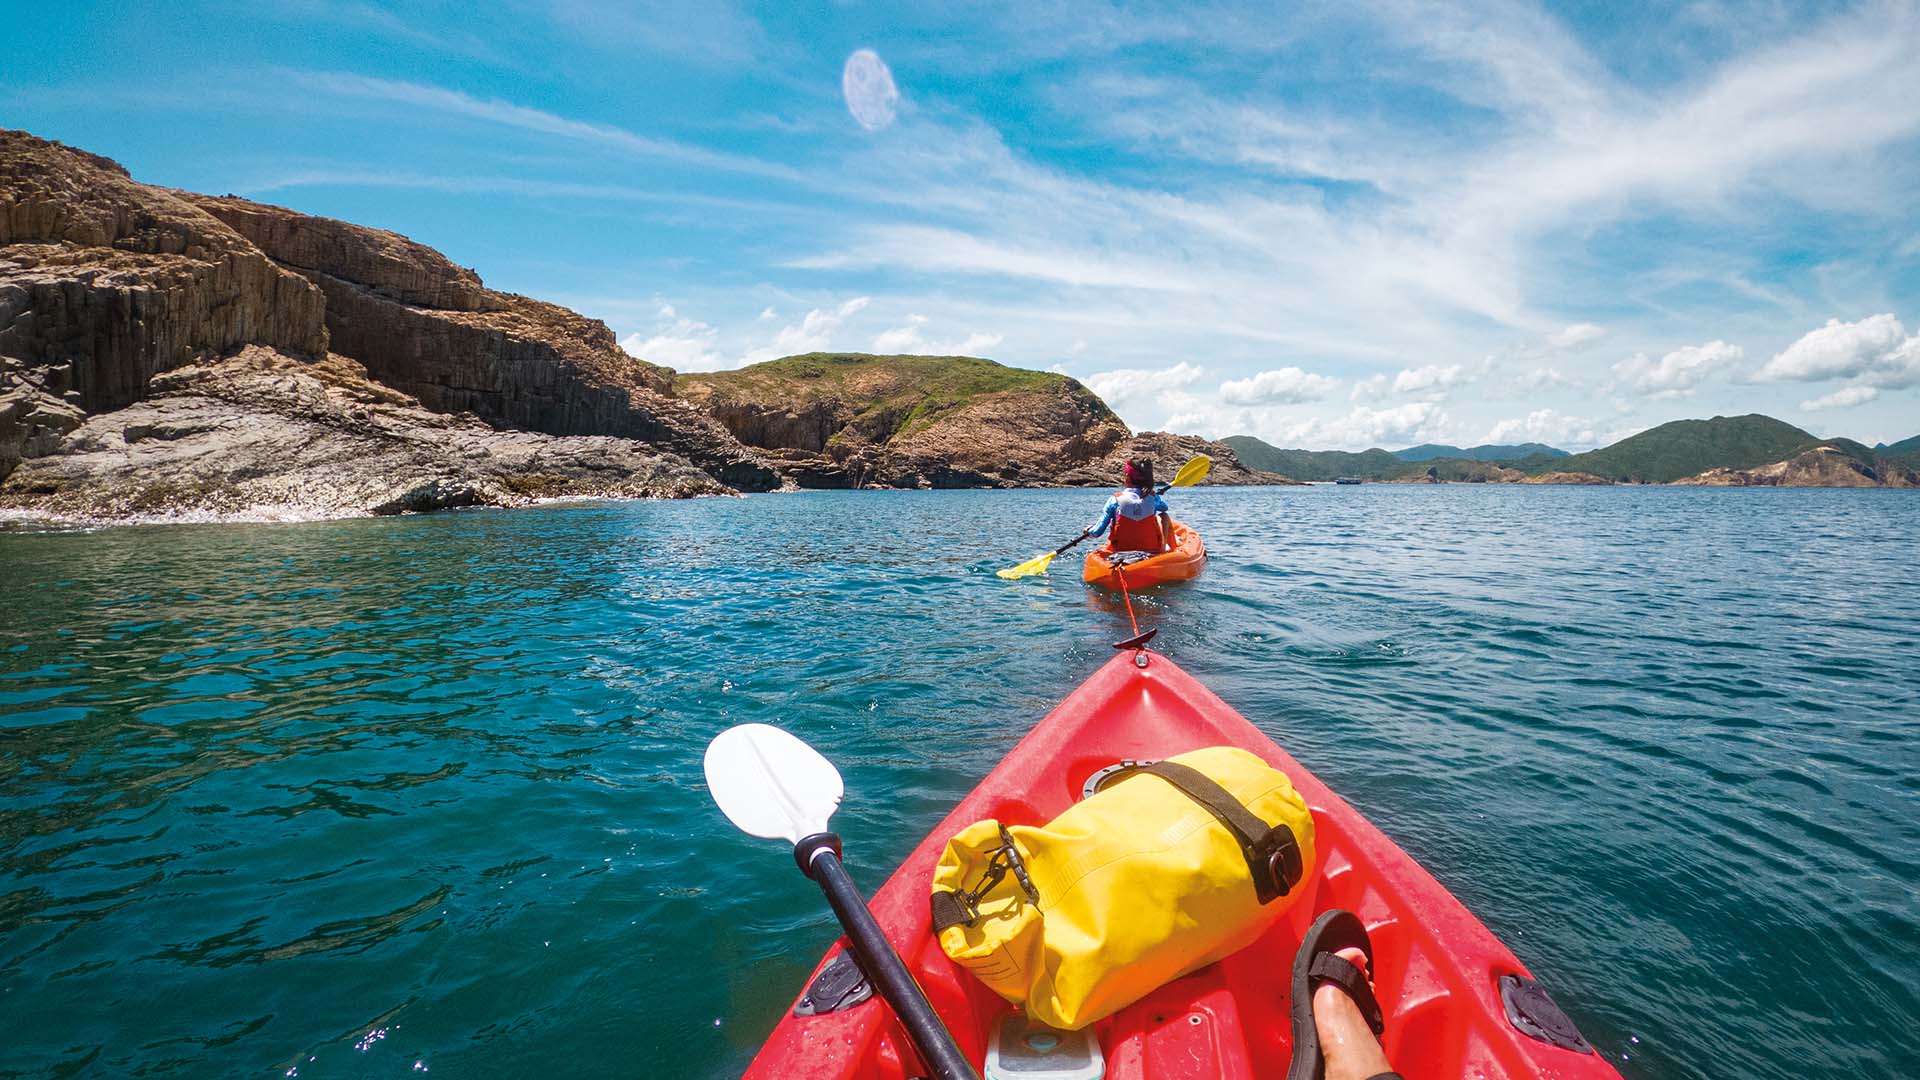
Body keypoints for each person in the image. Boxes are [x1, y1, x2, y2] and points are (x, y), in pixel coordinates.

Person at [1083, 458, 1172, 554]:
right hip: (1150, 551)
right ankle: (1165, 549)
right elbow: (1164, 508)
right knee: (1164, 516)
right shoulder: (1153, 498)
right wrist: (1153, 495)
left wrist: (1089, 531)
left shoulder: (1114, 500)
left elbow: (1097, 532)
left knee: (1114, 518)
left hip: (1121, 553)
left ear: (1127, 477)